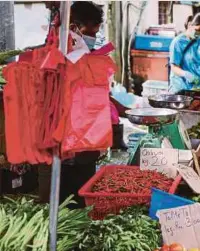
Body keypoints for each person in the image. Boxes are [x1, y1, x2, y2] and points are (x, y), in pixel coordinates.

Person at [59, 1, 106, 208]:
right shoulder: (59, 48)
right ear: (75, 25)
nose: (93, 37)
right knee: (69, 191)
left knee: (83, 184)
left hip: (86, 135)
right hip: (69, 132)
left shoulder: (85, 49)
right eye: (90, 31)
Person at [169, 13, 200, 94]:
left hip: (199, 88)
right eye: (197, 30)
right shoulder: (178, 42)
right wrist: (185, 74)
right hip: (181, 88)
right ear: (189, 25)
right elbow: (174, 67)